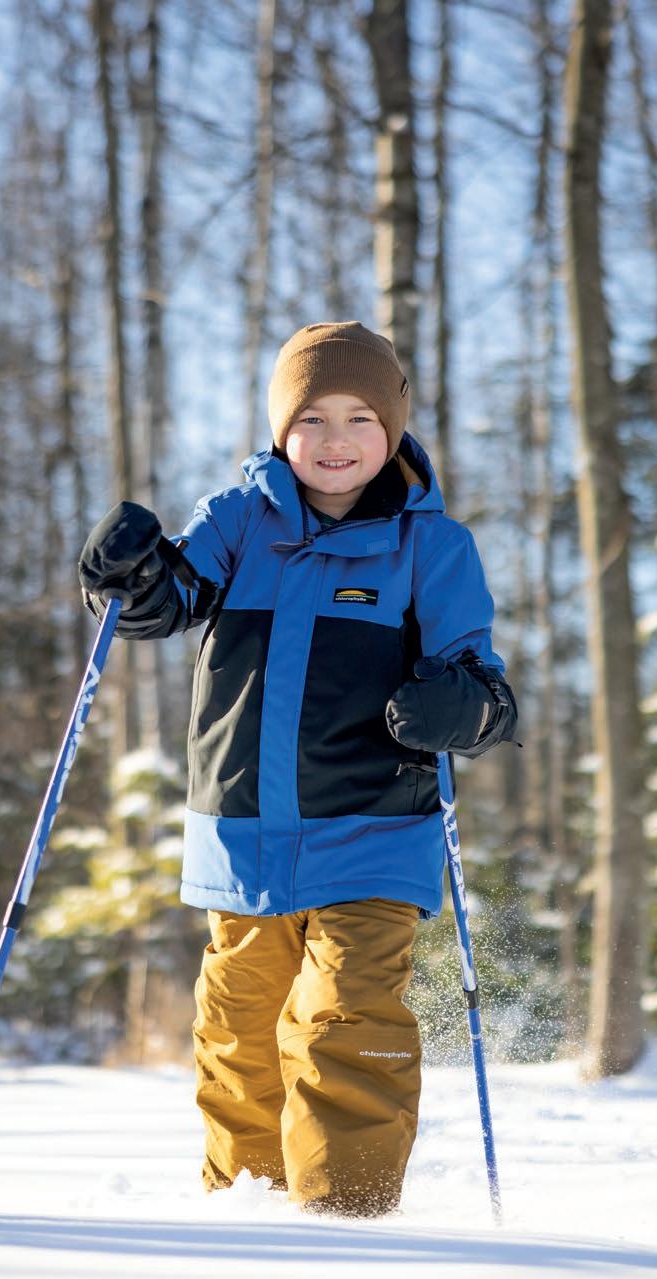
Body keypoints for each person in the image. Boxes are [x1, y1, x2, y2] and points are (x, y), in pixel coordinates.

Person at [77, 320, 518, 1216]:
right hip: (242, 835)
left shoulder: (431, 547)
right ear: (282, 429)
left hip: (374, 831)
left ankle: (343, 1218)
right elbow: (170, 602)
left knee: (345, 1019)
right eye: (311, 418)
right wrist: (124, 578)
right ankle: (247, 1212)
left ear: (391, 430)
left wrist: (460, 707)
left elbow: (485, 686)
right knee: (239, 1032)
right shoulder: (240, 519)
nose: (334, 438)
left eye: (359, 418)